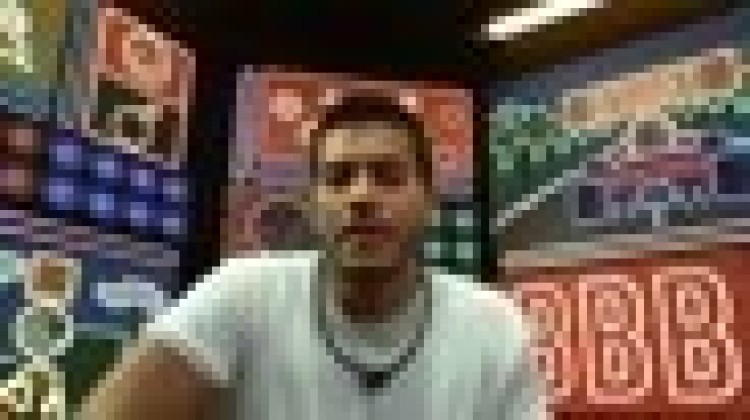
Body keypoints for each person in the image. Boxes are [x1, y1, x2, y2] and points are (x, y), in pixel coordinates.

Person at [80, 93, 548, 419]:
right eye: (339, 178)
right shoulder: (242, 293)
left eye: (387, 176)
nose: (361, 196)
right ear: (311, 205)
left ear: (430, 200)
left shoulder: (495, 326)